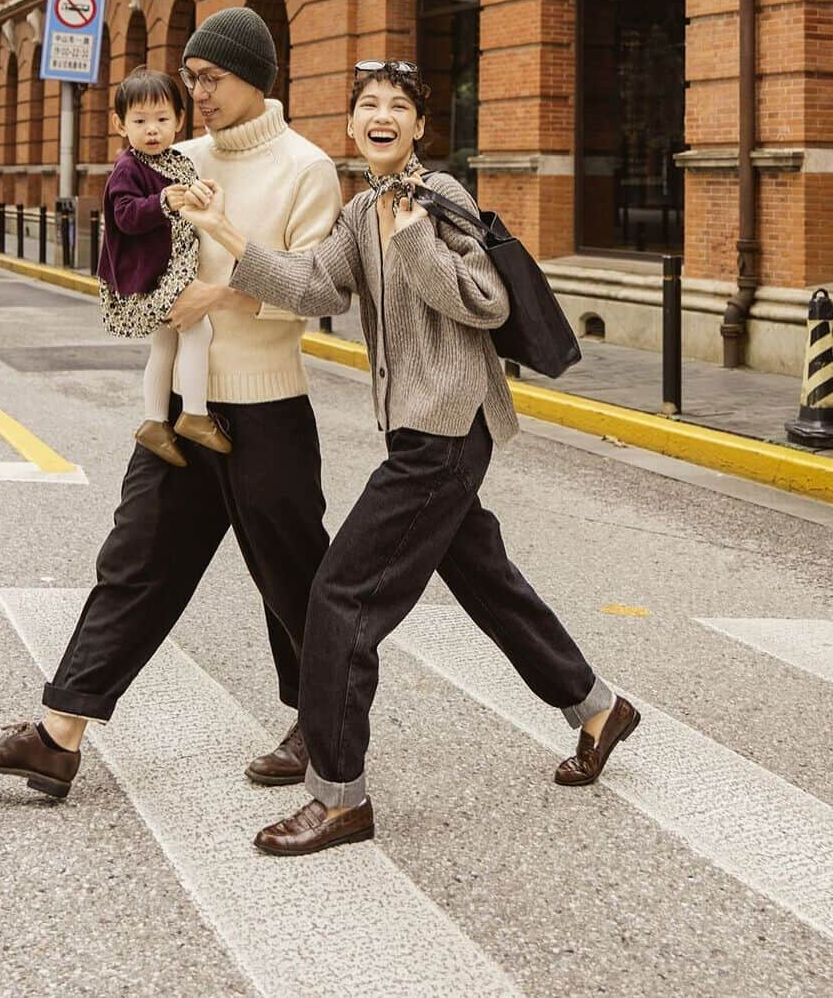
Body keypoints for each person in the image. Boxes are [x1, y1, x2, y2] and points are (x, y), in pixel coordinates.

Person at [183, 60, 640, 857]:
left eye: (398, 106)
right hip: (417, 431)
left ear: (420, 127)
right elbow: (315, 286)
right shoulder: (363, 211)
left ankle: (338, 798)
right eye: (368, 105)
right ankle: (597, 706)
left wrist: (417, 238)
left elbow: (485, 300)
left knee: (341, 595)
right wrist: (226, 233)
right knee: (487, 580)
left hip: (447, 432)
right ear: (353, 127)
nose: (382, 115)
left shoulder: (440, 200)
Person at [0, 7, 344, 797]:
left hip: (265, 407)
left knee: (290, 573)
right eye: (190, 78)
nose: (195, 94)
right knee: (134, 561)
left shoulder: (308, 167)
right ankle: (59, 733)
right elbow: (132, 234)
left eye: (211, 79)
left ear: (255, 77)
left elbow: (311, 291)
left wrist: (217, 297)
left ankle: (320, 726)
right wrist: (142, 296)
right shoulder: (177, 156)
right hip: (177, 410)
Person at [99, 67, 231, 466]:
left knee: (165, 343)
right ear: (120, 124)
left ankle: (155, 421)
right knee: (198, 328)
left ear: (179, 120)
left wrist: (198, 194)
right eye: (140, 121)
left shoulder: (176, 160)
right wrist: (162, 203)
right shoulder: (129, 167)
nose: (152, 130)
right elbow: (124, 216)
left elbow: (184, 202)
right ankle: (193, 413)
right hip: (152, 275)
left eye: (161, 120)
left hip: (171, 267)